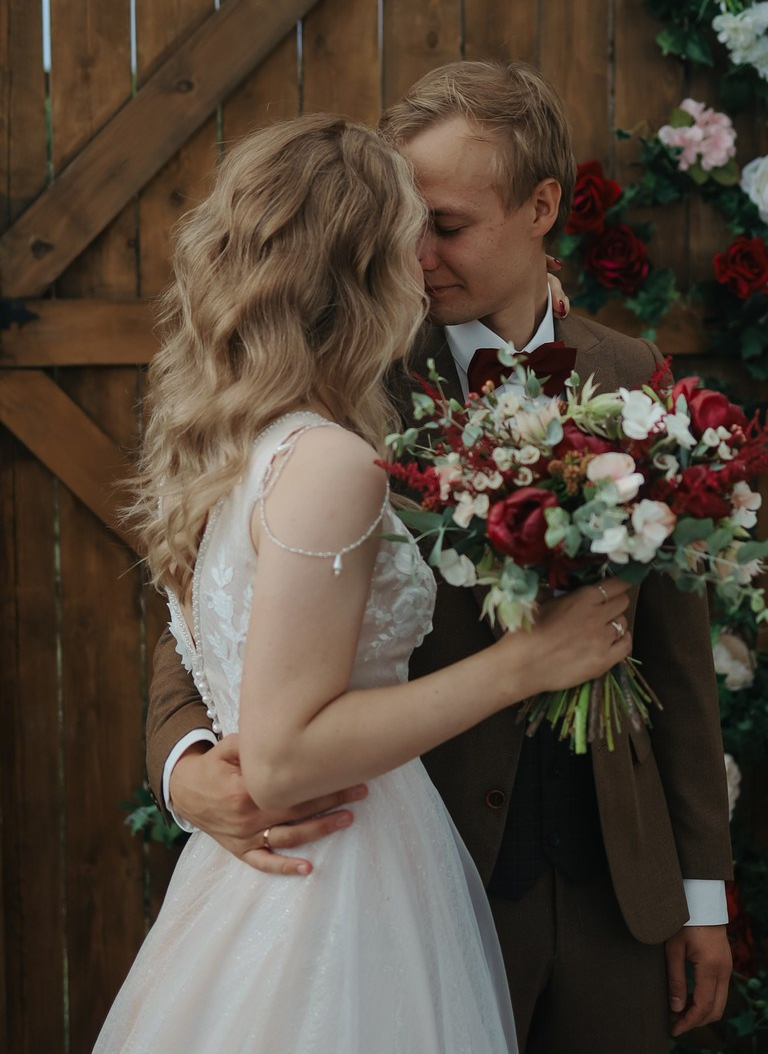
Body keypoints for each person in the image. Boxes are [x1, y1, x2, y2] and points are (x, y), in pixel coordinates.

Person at [145, 63, 734, 1054]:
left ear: (542, 206)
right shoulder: (351, 384)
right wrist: (186, 764)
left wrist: (700, 892)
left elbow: (673, 651)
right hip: (423, 868)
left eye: (448, 224)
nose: (416, 254)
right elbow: (209, 594)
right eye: (404, 221)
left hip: (614, 897)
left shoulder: (631, 375)